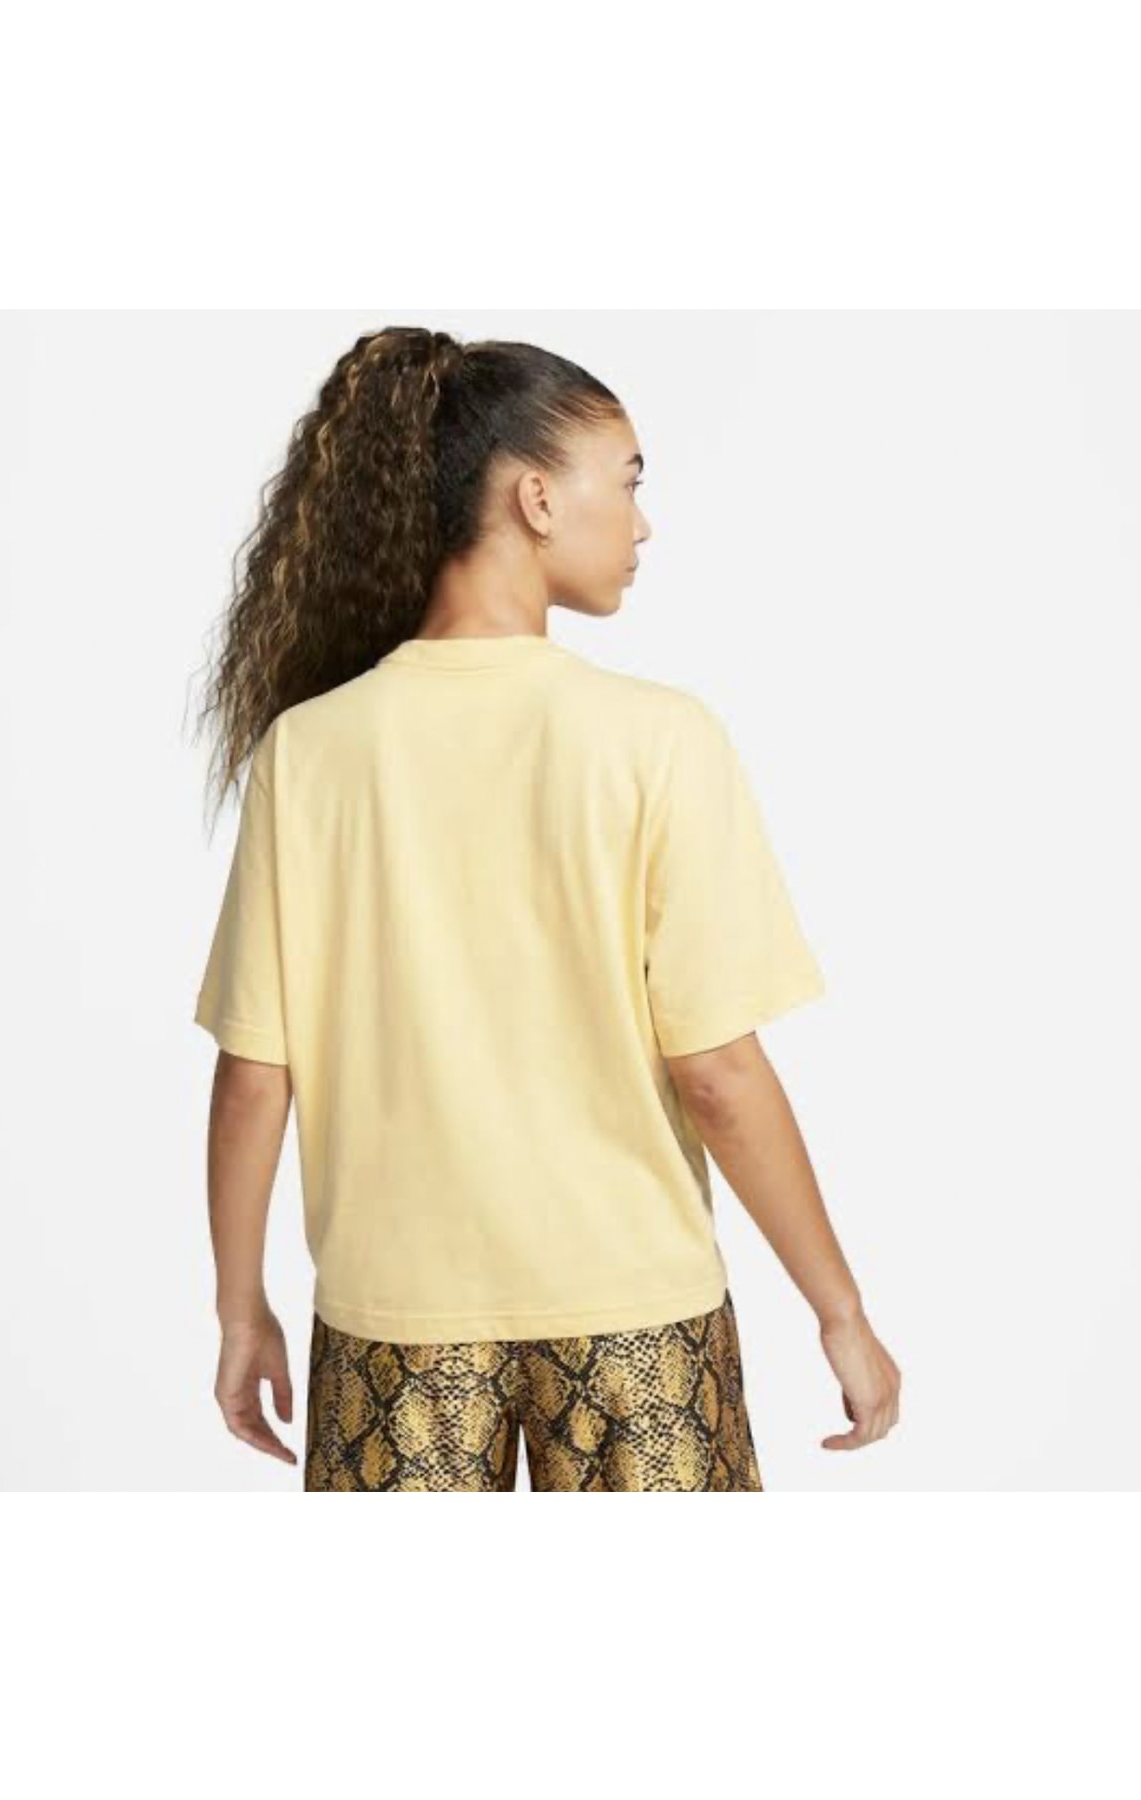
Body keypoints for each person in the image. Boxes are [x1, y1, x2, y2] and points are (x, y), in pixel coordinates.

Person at [191, 325, 901, 1492]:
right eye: (627, 481)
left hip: (394, 1324)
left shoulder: (308, 753)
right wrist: (841, 1311)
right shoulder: (657, 740)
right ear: (534, 498)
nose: (642, 523)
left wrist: (239, 1309)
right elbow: (718, 1073)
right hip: (635, 1314)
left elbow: (254, 1077)